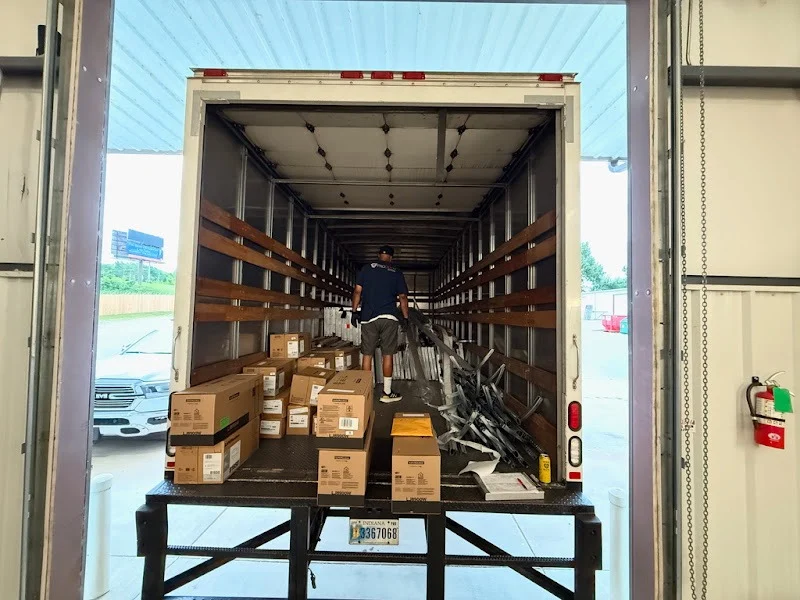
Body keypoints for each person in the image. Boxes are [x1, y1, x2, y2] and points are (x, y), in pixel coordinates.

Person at [351, 245, 409, 402]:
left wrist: (355, 311)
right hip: (389, 317)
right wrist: (405, 318)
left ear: (378, 255)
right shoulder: (396, 272)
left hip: (368, 317)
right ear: (391, 258)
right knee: (387, 354)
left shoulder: (366, 269)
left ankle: (365, 392)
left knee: (367, 354)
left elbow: (357, 291)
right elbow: (403, 297)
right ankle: (387, 393)